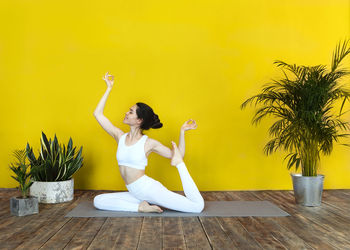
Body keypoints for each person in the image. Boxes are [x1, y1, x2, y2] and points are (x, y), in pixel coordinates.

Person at [92, 72, 205, 213]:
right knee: (98, 201)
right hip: (134, 192)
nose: (126, 113)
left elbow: (178, 154)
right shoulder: (119, 136)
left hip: (149, 190)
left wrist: (182, 132)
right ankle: (140, 207)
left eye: (131, 112)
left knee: (196, 207)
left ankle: (180, 167)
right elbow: (98, 114)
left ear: (139, 120)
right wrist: (109, 88)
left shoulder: (148, 143)